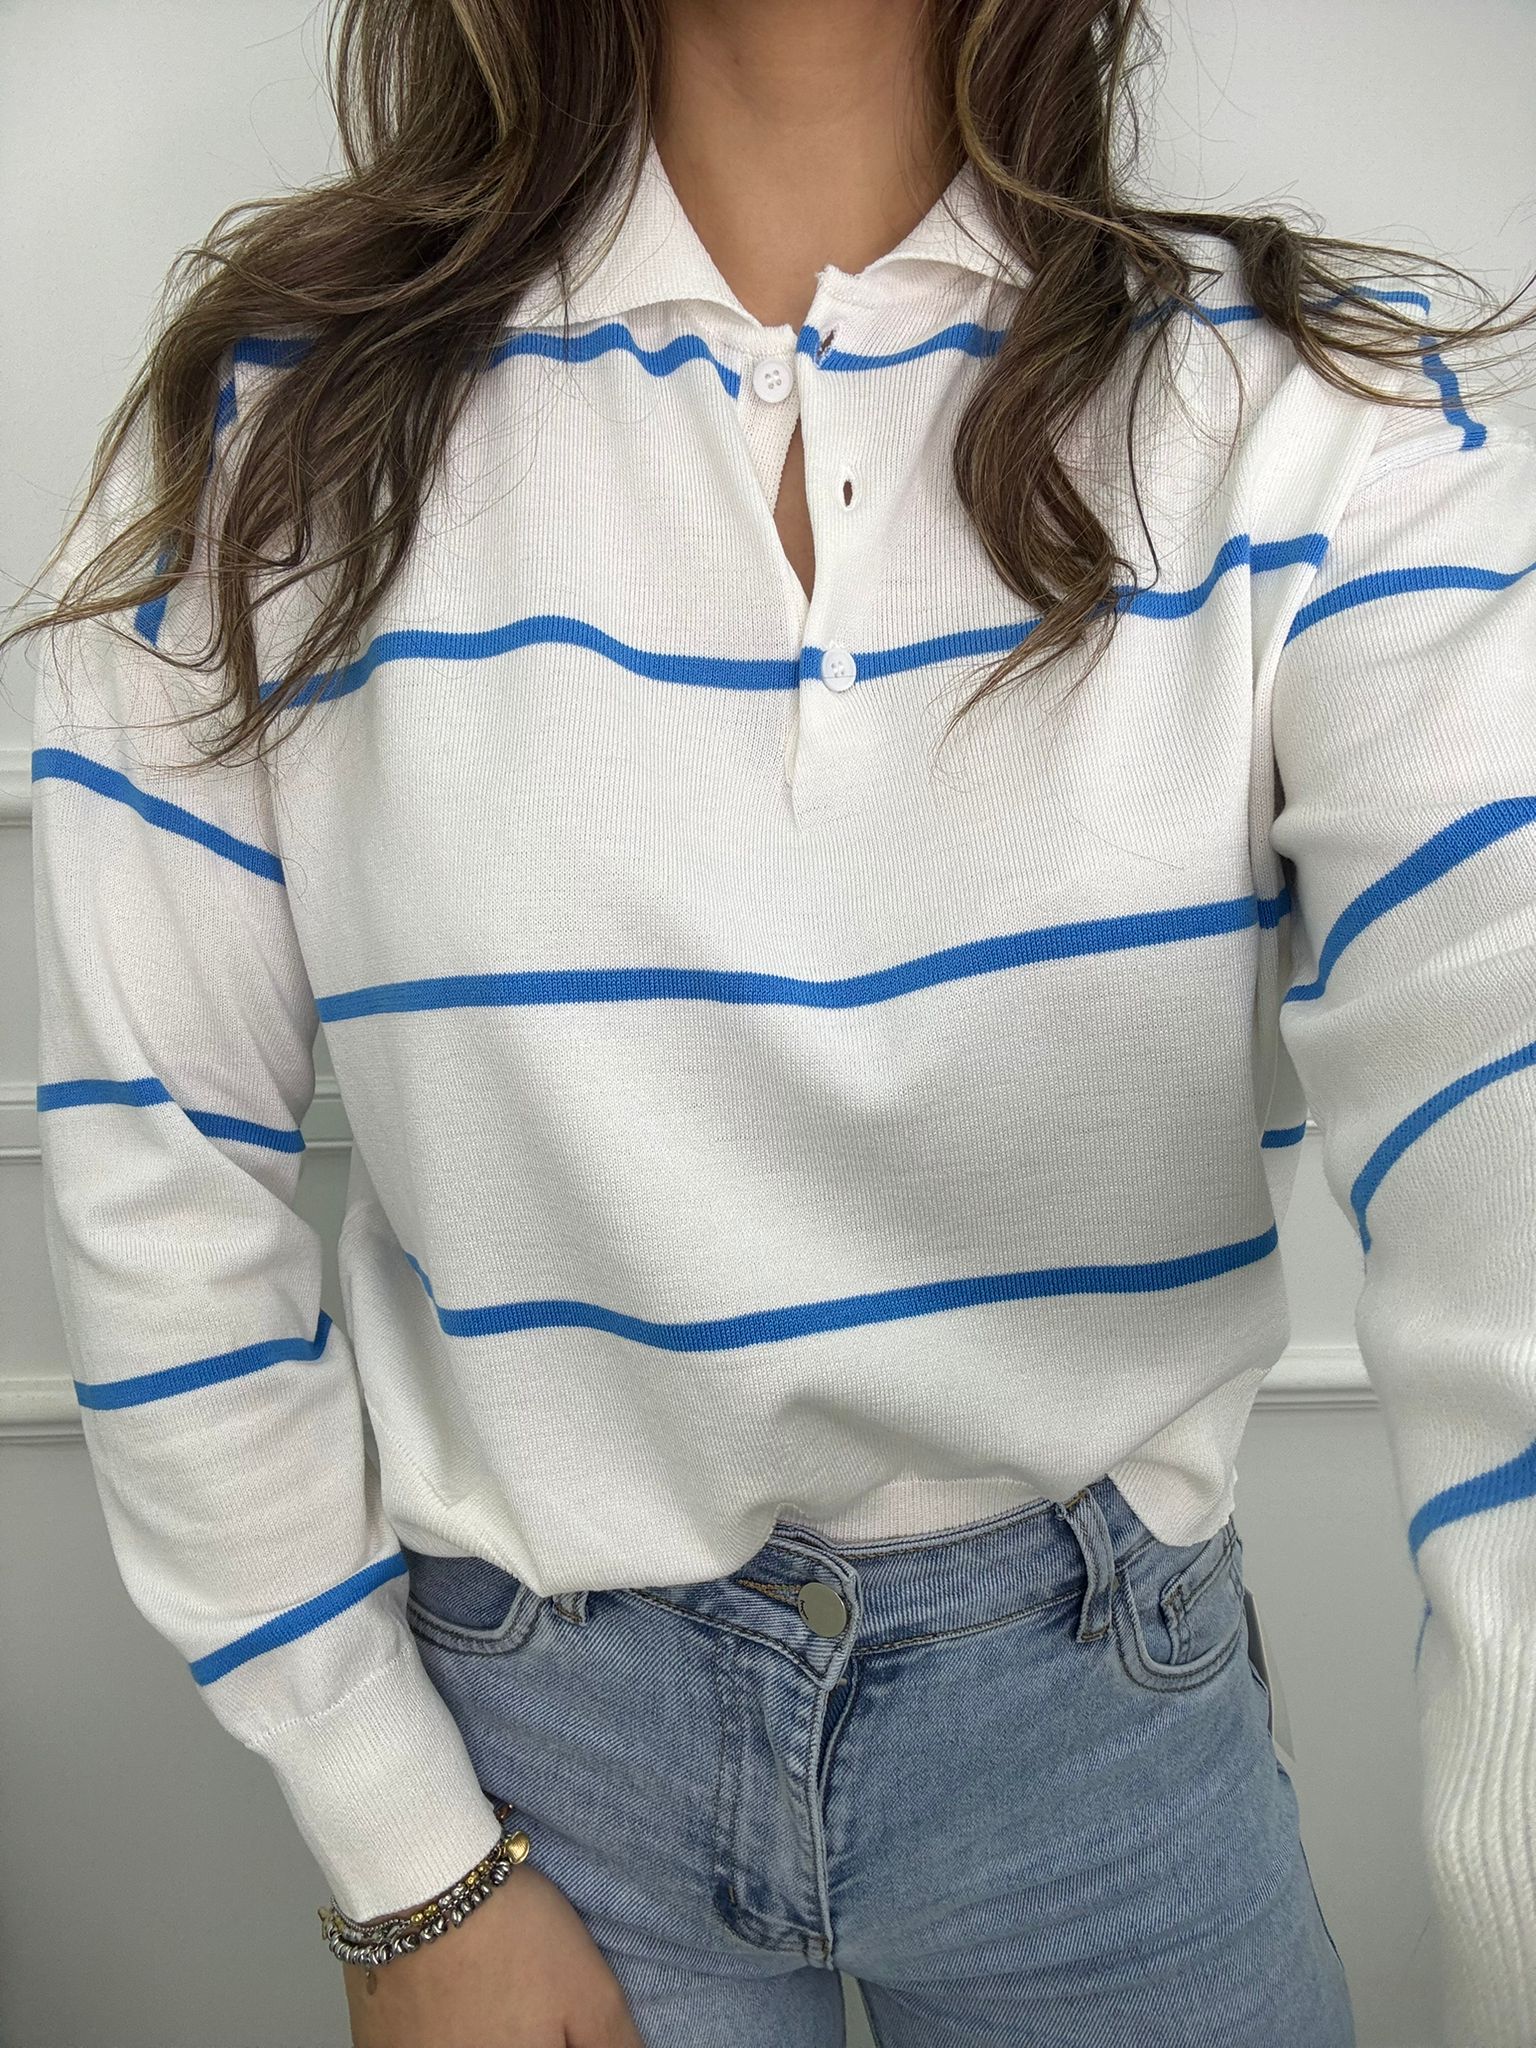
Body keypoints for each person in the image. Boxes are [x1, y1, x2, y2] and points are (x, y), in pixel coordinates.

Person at [9, 1, 1536, 2043]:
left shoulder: (1319, 415)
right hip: (541, 1770)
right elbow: (162, 1171)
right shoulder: (276, 424)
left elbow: (1504, 1093)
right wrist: (400, 1854)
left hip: (1104, 1741)